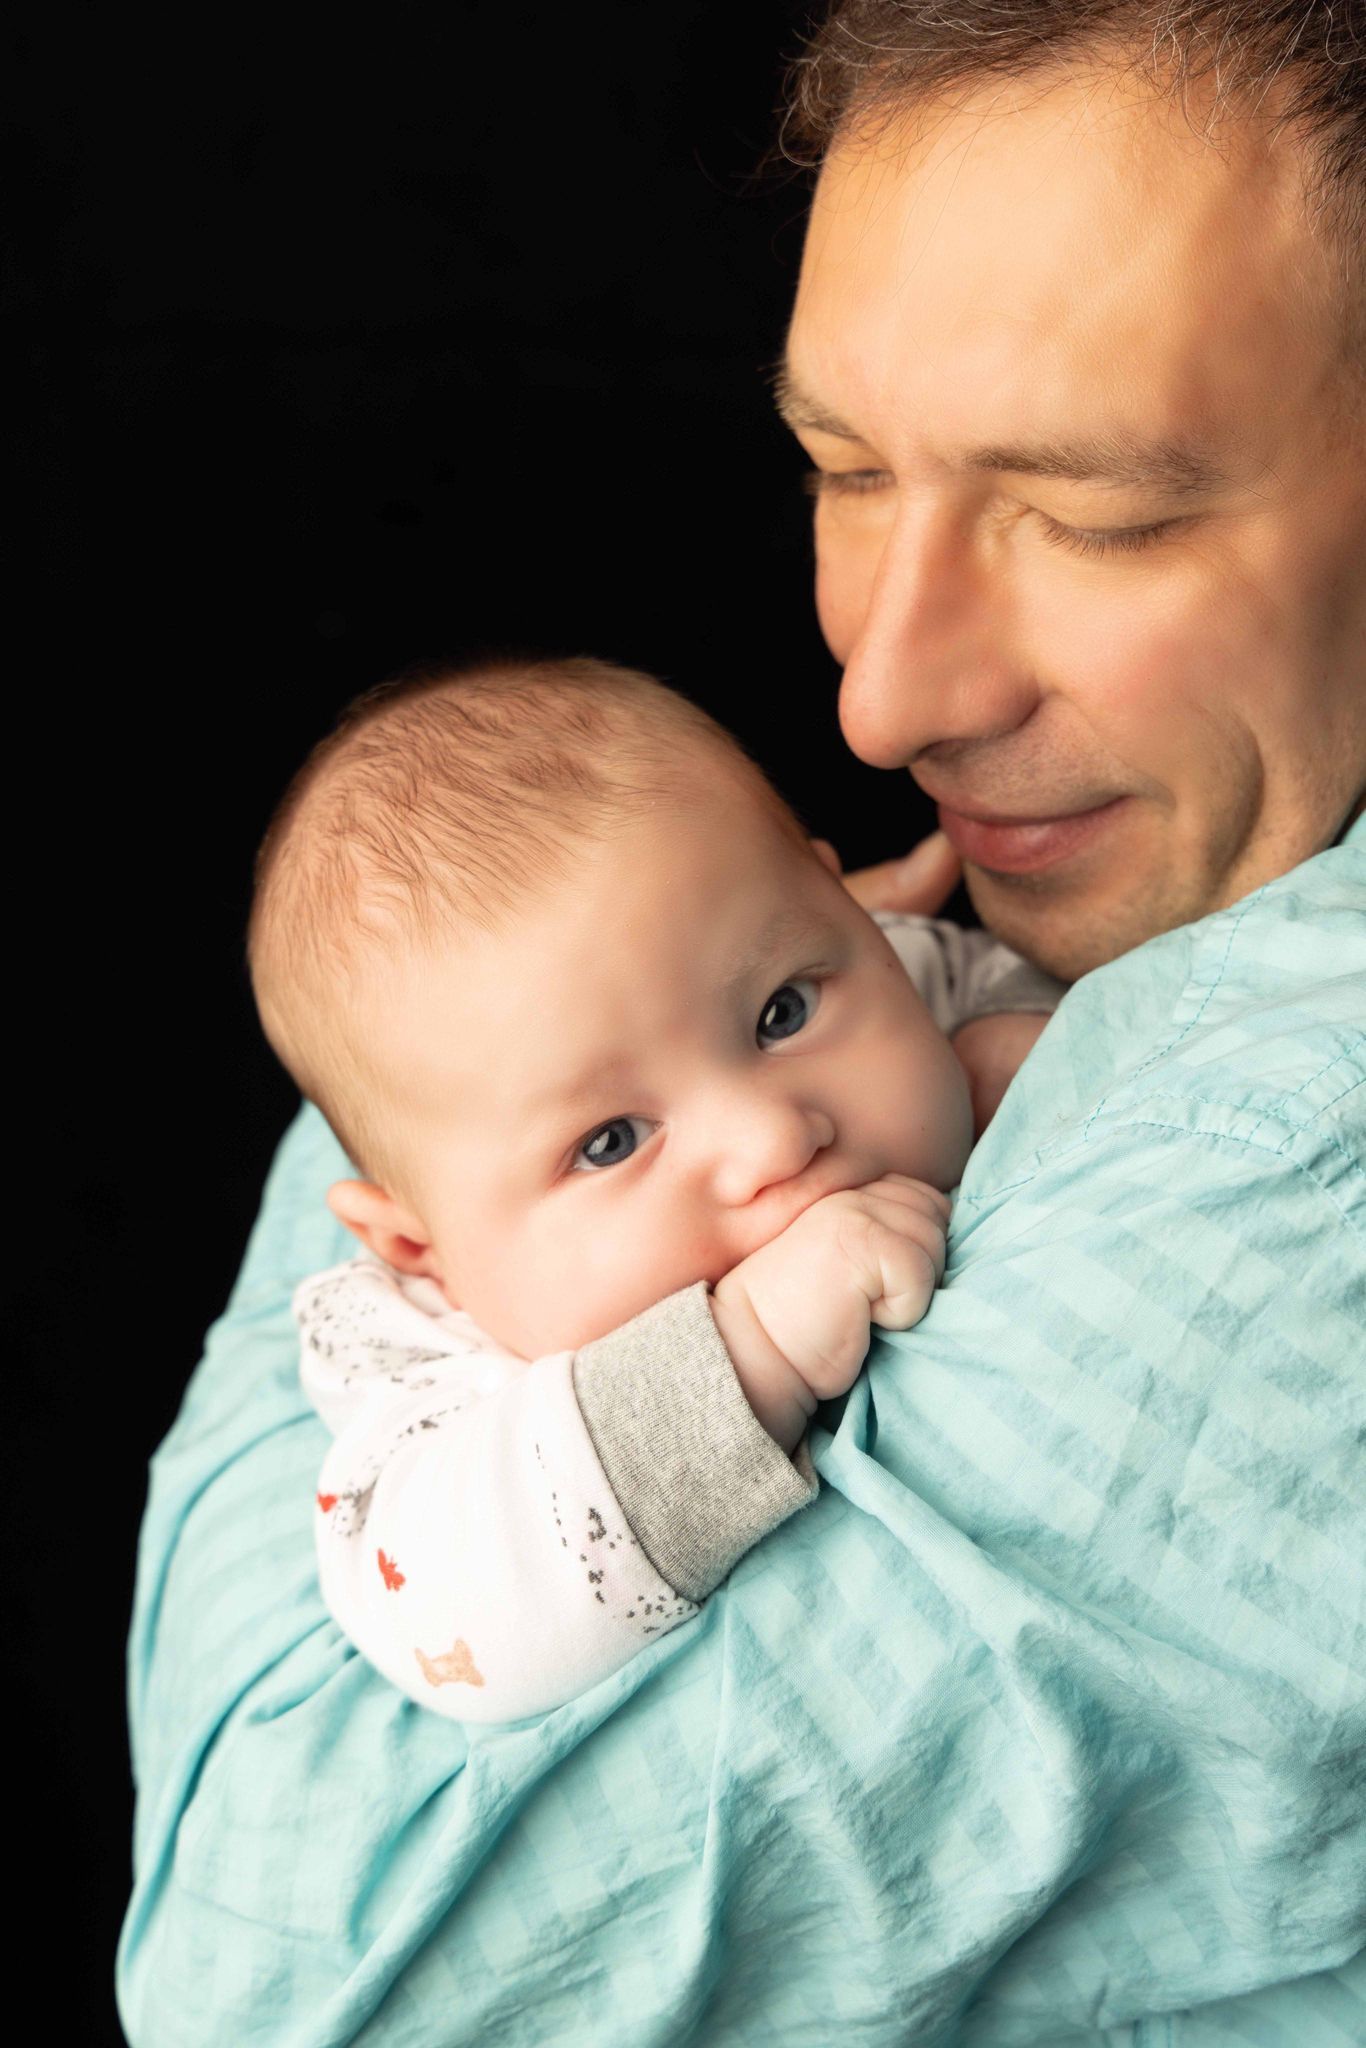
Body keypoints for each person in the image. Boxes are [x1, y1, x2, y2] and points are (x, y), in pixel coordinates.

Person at [119, 4, 1366, 2042]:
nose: (883, 700)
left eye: (1096, 509)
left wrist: (496, 1091)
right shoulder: (892, 969)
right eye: (843, 468)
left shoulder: (1284, 1162)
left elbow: (299, 1992)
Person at [249, 655, 1059, 1724]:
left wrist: (1015, 1039)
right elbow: (462, 1629)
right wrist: (749, 1348)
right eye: (610, 1141)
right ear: (420, 1249)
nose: (772, 1137)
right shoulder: (431, 1380)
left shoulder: (901, 971)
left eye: (779, 1013)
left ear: (842, 909)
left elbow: (987, 969)